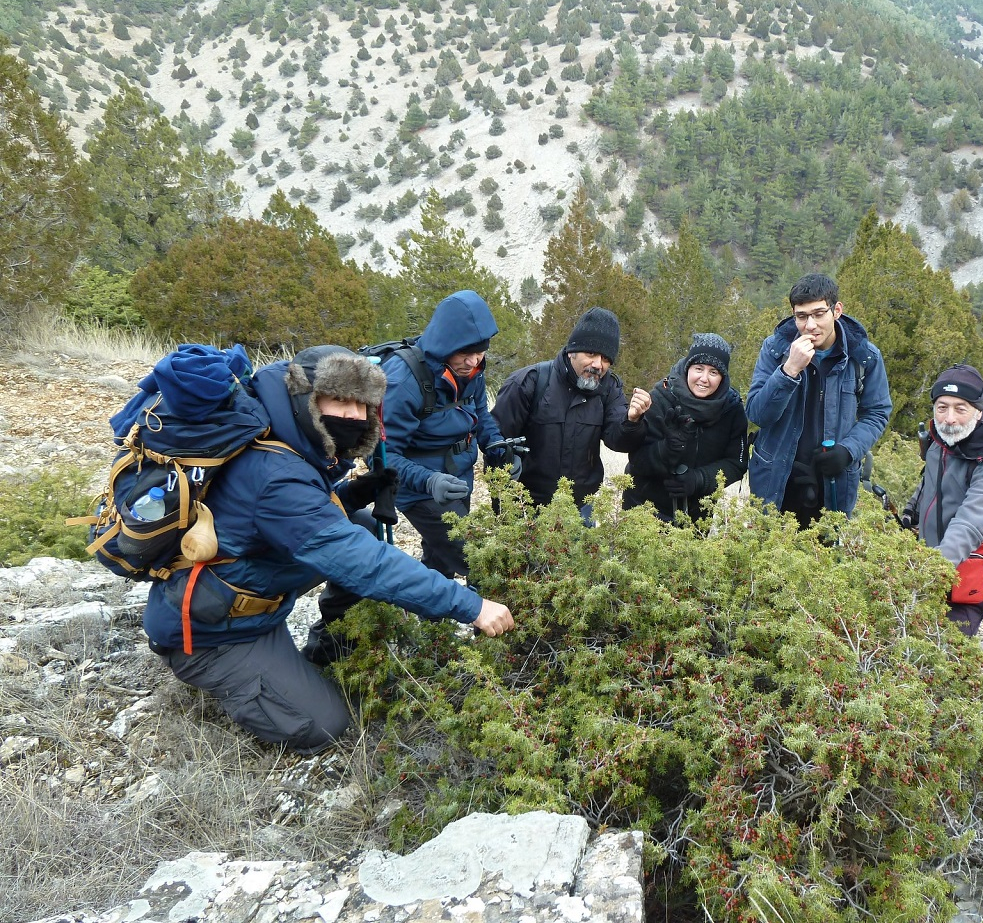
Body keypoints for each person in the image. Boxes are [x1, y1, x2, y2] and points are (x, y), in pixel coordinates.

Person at [141, 345, 514, 752]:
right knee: (325, 724)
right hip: (212, 631)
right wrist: (471, 605)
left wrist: (356, 493)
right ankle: (229, 674)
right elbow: (364, 563)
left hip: (252, 590)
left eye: (362, 404)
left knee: (361, 523)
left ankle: (329, 646)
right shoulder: (275, 473)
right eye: (339, 400)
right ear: (306, 398)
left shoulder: (288, 441)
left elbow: (298, 519)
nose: (354, 415)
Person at [376, 290, 515, 582]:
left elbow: (479, 413)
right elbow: (382, 456)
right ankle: (491, 611)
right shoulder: (403, 381)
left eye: (480, 353)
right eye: (465, 353)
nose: (473, 362)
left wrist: (497, 445)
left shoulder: (472, 370)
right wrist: (429, 481)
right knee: (479, 560)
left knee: (440, 559)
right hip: (420, 488)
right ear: (445, 344)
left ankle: (432, 611)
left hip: (458, 477)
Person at [745, 273, 892, 525]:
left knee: (827, 544)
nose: (810, 325)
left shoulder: (864, 356)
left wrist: (848, 450)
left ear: (837, 311)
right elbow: (758, 414)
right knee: (769, 545)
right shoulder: (776, 349)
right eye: (801, 316)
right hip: (776, 478)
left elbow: (877, 412)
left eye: (819, 314)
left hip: (833, 480)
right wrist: (789, 371)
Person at [900, 364, 983, 637]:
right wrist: (909, 515)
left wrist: (930, 572)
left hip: (976, 574)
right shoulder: (941, 442)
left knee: (942, 651)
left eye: (961, 408)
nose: (949, 418)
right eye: (942, 407)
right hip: (935, 564)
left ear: (978, 412)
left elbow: (970, 523)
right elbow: (928, 486)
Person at [493, 307, 651, 513]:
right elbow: (496, 445)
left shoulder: (609, 388)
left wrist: (632, 421)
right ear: (572, 351)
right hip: (526, 505)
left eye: (605, 359)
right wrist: (503, 506)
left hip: (581, 509)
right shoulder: (529, 382)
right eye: (591, 353)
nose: (598, 364)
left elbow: (618, 441)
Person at [623, 333, 747, 522]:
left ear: (722, 377)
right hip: (643, 508)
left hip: (696, 516)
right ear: (688, 368)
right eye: (699, 368)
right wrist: (667, 449)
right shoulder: (660, 398)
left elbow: (736, 463)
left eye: (713, 372)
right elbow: (637, 461)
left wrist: (699, 479)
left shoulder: (732, 409)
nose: (704, 378)